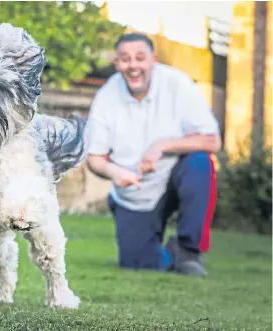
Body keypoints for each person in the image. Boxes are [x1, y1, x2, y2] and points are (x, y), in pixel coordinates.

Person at [84, 33, 221, 277]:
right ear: (117, 64)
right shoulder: (106, 97)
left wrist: (162, 145)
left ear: (153, 60)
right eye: (125, 59)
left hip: (173, 178)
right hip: (134, 193)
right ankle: (170, 255)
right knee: (137, 263)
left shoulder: (178, 84)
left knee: (200, 163)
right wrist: (116, 172)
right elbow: (95, 158)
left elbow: (212, 140)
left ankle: (189, 249)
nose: (133, 66)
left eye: (140, 58)